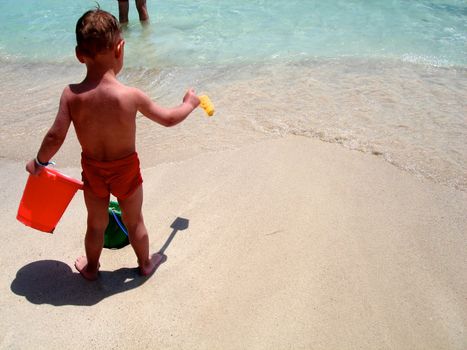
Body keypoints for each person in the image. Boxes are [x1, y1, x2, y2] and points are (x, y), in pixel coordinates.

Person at [26, 8, 200, 281]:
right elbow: (168, 119)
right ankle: (144, 262)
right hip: (126, 170)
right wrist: (189, 104)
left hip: (93, 170)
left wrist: (39, 163)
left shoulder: (71, 95)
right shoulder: (130, 96)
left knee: (95, 224)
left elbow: (54, 137)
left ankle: (92, 268)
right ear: (120, 48)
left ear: (78, 54)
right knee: (135, 221)